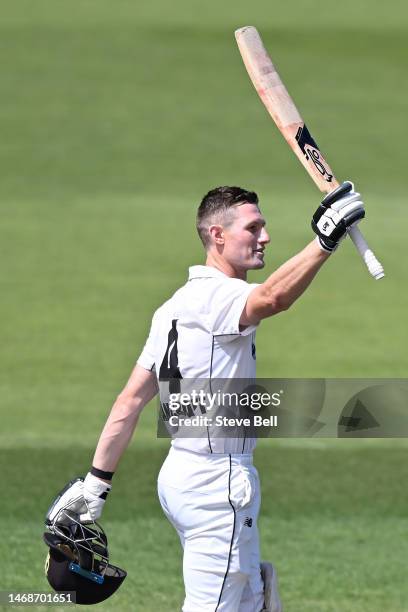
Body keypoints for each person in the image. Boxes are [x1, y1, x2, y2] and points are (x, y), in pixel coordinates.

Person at [65, 182, 365, 611]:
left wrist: (96, 484)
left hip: (183, 477)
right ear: (217, 236)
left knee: (252, 598)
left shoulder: (173, 305)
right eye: (253, 227)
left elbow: (130, 400)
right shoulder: (217, 298)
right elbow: (274, 297)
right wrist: (324, 241)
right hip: (215, 486)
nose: (265, 237)